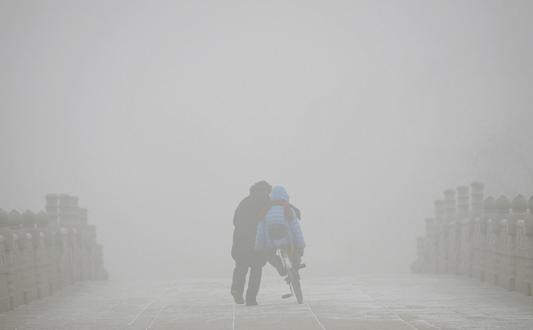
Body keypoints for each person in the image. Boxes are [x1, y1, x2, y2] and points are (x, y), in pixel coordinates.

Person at [230, 181, 272, 306]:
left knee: (241, 267)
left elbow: (236, 220)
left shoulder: (245, 202)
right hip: (258, 242)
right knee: (256, 270)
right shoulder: (268, 203)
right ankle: (251, 299)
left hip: (242, 240)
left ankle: (236, 290)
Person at [255, 186, 305, 276]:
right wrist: (301, 246)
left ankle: (278, 265)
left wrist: (259, 247)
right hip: (288, 241)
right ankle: (295, 266)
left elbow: (260, 232)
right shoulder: (289, 210)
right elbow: (296, 230)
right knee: (296, 253)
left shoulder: (265, 211)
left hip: (271, 243)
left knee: (269, 254)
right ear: (285, 196)